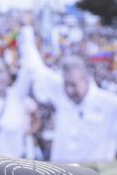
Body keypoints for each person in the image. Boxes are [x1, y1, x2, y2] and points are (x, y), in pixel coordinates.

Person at [21, 24, 117, 163]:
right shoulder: (61, 90)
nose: (69, 90)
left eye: (74, 85)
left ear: (87, 79)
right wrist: (27, 31)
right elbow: (35, 68)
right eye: (66, 84)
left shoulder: (110, 103)